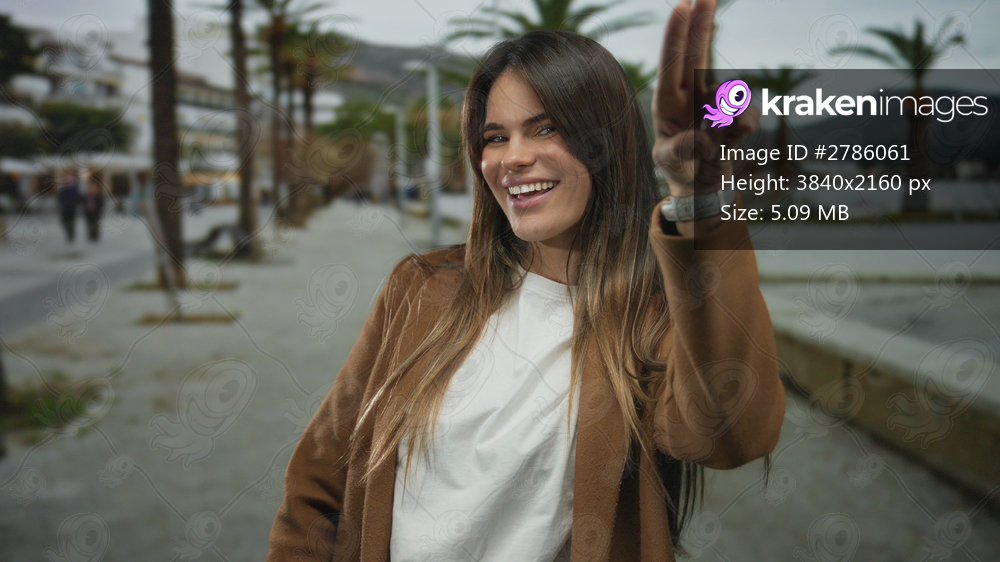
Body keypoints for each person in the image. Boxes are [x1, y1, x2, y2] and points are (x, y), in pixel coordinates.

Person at [266, 1, 785, 560]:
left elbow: (732, 434)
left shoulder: (654, 319)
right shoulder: (418, 288)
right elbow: (317, 489)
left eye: (546, 128)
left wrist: (700, 198)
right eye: (495, 137)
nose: (513, 158)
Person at [57, 171, 81, 244]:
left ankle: (71, 235)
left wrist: (75, 204)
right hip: (65, 209)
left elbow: (78, 198)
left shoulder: (75, 189)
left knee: (71, 222)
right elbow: (60, 198)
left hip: (72, 208)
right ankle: (69, 233)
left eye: (71, 179)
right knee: (64, 222)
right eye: (68, 179)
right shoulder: (63, 189)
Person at [82, 178, 106, 243]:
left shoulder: (99, 196)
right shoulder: (86, 196)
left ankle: (95, 237)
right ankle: (90, 237)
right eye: (91, 187)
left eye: (94, 187)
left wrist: (99, 211)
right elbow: (83, 204)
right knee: (89, 225)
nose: (92, 189)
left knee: (95, 225)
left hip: (96, 214)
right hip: (88, 213)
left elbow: (101, 205)